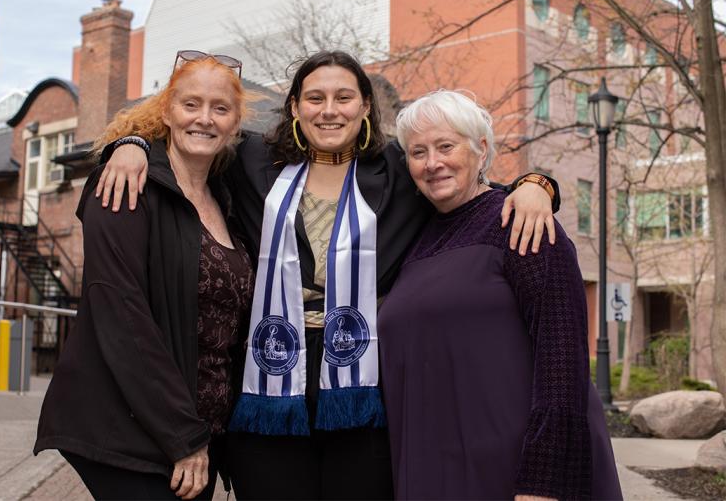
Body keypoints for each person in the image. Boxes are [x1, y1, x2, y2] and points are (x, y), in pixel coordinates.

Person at [97, 51, 561, 500]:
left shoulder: (399, 168)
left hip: (365, 384)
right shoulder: (253, 161)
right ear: (295, 106)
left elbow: (465, 183)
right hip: (268, 376)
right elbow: (192, 138)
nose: (329, 110)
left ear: (364, 106)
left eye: (344, 97)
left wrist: (536, 186)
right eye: (315, 98)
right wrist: (132, 145)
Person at [378, 89, 622, 500]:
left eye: (446, 146)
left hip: (515, 473)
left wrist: (545, 480)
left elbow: (563, 359)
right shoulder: (414, 237)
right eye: (418, 152)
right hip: (435, 468)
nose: (432, 162)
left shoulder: (521, 223)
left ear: (482, 149)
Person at [33, 52, 257, 500]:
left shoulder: (225, 197)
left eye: (220, 108)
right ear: (167, 110)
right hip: (136, 433)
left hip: (201, 432)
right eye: (191, 104)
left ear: (235, 124)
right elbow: (121, 315)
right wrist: (182, 436)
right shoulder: (126, 187)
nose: (204, 119)